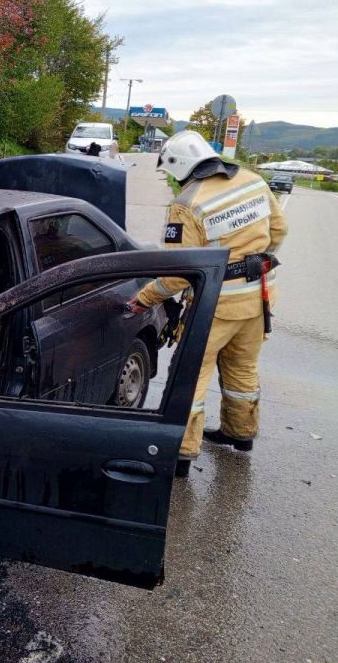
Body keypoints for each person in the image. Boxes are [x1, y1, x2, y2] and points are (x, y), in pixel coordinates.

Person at [127, 130, 288, 478]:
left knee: (191, 376)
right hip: (258, 296)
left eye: (170, 171)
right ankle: (240, 433)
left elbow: (178, 274)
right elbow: (279, 230)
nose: (171, 178)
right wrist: (252, 258)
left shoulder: (187, 204)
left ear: (179, 165)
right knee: (242, 368)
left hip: (215, 306)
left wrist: (144, 298)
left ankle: (182, 452)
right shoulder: (252, 181)